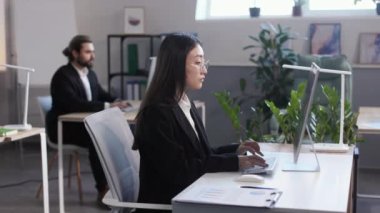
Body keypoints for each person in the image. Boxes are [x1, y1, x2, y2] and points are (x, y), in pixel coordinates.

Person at [132, 33, 267, 213]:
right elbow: (181, 171)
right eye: (197, 63)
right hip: (171, 205)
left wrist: (236, 149)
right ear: (176, 66)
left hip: (191, 195)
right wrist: (236, 162)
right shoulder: (156, 114)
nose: (204, 70)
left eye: (204, 63)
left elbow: (201, 155)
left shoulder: (184, 102)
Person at [46, 34, 130, 209]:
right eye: (88, 52)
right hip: (64, 129)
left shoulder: (89, 73)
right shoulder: (63, 75)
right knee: (97, 138)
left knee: (118, 134)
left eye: (93, 52)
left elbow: (101, 94)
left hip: (82, 125)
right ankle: (103, 190)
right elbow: (73, 103)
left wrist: (118, 100)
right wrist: (108, 105)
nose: (93, 56)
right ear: (75, 53)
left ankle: (120, 186)